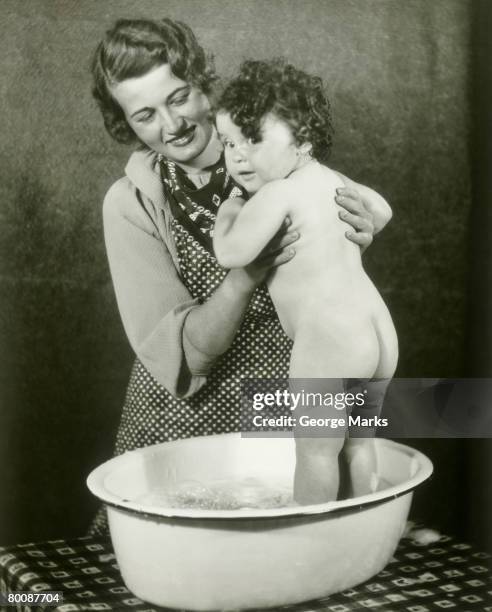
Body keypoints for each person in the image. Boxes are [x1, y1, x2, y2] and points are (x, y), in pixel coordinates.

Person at [88, 17, 392, 532]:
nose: (172, 125)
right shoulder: (129, 205)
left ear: (205, 85)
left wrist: (364, 224)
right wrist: (244, 277)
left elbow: (351, 237)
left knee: (314, 535)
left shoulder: (273, 156)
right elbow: (180, 357)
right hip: (183, 425)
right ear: (126, 125)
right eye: (144, 115)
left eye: (179, 97)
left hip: (283, 406)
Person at [213, 59, 398, 503]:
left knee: (315, 452)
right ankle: (365, 521)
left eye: (253, 140)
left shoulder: (277, 193)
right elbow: (382, 210)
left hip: (330, 341)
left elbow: (231, 252)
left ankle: (311, 540)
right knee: (358, 442)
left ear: (305, 141)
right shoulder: (330, 179)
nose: (237, 155)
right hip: (378, 331)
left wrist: (229, 212)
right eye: (227, 142)